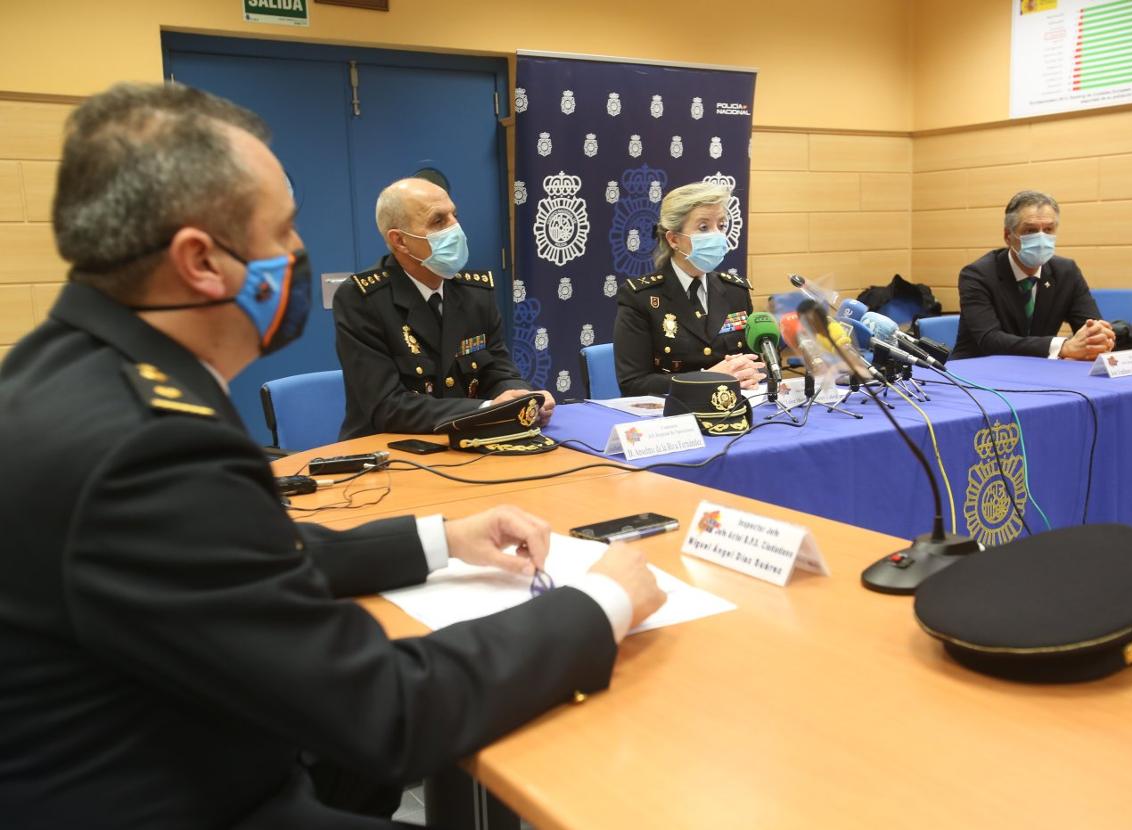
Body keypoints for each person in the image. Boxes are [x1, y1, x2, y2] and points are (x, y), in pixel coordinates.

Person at [0, 82, 664, 829]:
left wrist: (441, 539)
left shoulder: (72, 369)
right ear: (200, 261)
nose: (298, 255)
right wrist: (599, 604)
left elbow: (242, 555)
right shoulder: (148, 442)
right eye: (283, 232)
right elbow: (388, 710)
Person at [334, 177, 555, 439]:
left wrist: (519, 397)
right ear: (400, 241)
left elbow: (498, 370)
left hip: (466, 447)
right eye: (438, 221)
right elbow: (387, 406)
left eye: (454, 215)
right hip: (388, 454)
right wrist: (486, 409)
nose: (456, 227)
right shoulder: (362, 299)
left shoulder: (475, 292)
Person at [613, 182, 764, 396]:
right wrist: (709, 378)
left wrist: (751, 372)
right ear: (674, 239)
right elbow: (633, 383)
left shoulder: (735, 291)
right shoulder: (640, 297)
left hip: (734, 409)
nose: (717, 235)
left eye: (721, 226)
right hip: (672, 417)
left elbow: (757, 363)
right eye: (704, 227)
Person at [951, 190, 1115, 361]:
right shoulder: (978, 275)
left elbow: (1090, 326)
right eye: (1030, 230)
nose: (1041, 238)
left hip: (1037, 371)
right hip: (977, 372)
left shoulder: (1066, 272)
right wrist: (1063, 347)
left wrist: (1098, 339)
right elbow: (990, 340)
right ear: (1008, 236)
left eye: (1048, 229)